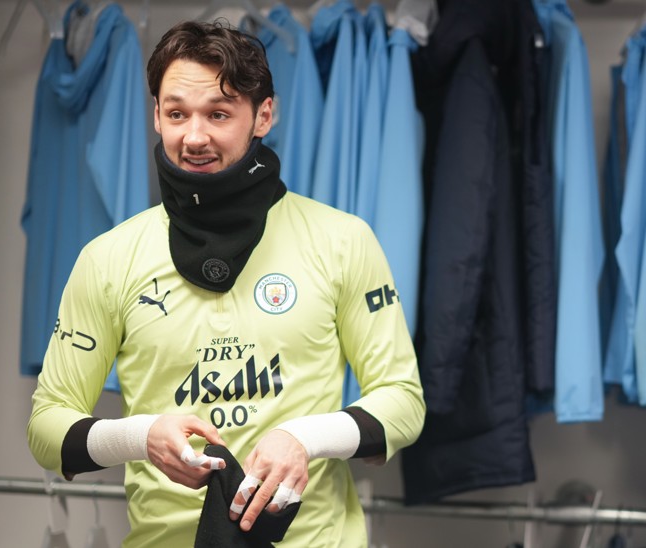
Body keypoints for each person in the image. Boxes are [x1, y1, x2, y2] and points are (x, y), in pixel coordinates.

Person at [27, 20, 425, 547]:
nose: (194, 137)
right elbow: (48, 427)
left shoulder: (342, 241)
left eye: (218, 113)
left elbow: (402, 401)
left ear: (264, 114)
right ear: (156, 116)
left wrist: (303, 439)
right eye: (176, 114)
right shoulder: (107, 260)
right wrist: (140, 438)